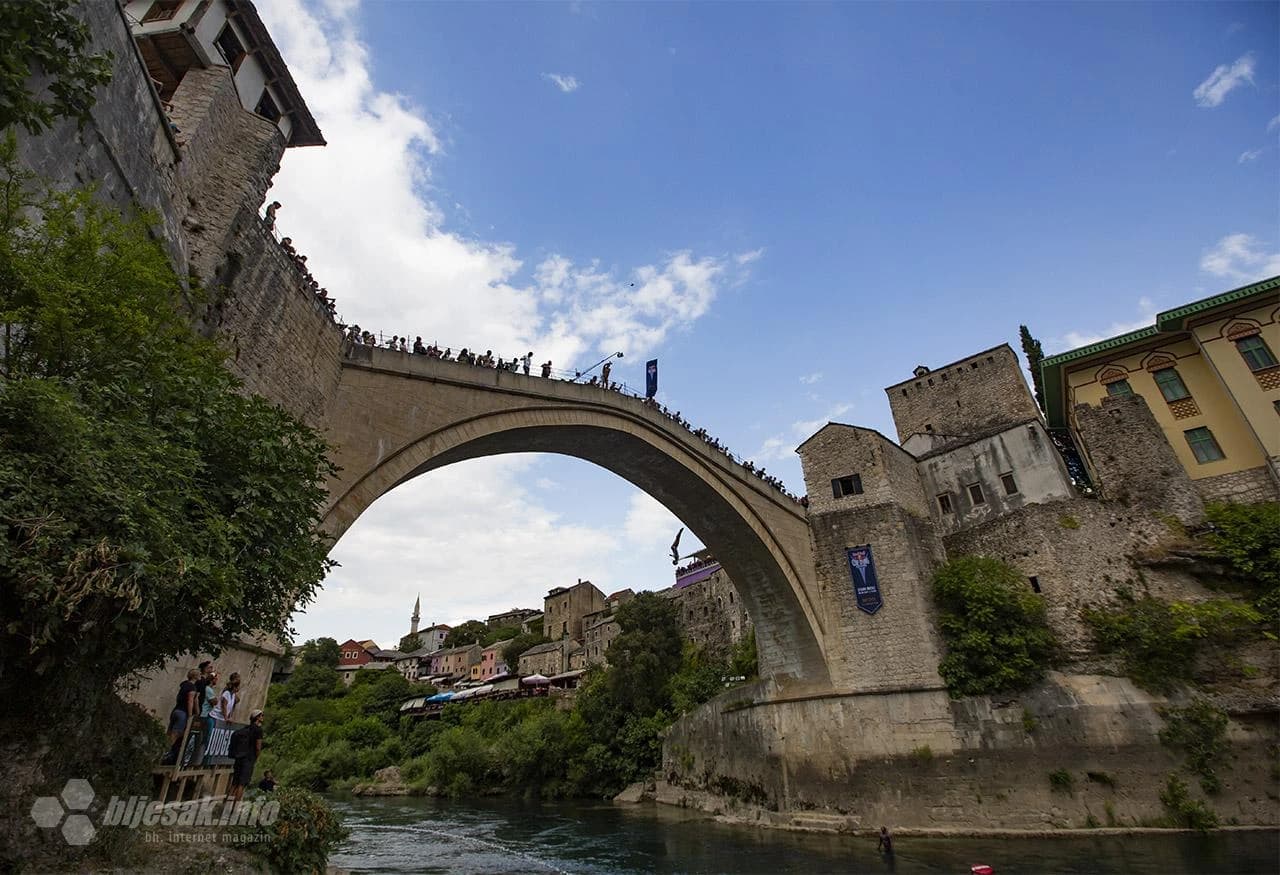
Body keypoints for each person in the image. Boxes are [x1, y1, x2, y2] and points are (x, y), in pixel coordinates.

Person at [228, 709, 265, 804]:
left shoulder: (245, 729)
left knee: (234, 783)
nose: (263, 717)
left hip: (239, 758)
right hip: (249, 759)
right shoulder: (258, 730)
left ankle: (227, 805)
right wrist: (256, 757)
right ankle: (235, 807)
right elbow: (258, 747)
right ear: (257, 717)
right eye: (262, 715)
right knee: (242, 784)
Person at [166, 668, 200, 749]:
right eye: (199, 674)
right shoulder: (192, 687)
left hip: (176, 710)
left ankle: (163, 748)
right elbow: (190, 701)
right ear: (195, 676)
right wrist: (190, 715)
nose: (200, 676)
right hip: (183, 713)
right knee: (176, 734)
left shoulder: (184, 684)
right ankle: (166, 750)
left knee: (170, 732)